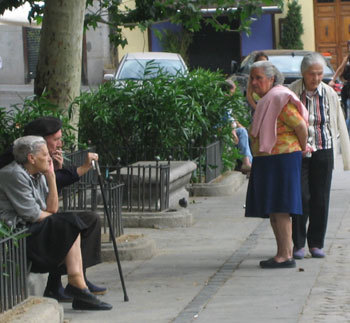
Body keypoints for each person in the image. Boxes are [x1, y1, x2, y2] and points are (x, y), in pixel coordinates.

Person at [0, 116, 106, 302]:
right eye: (56, 139)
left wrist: (52, 173)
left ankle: (79, 278)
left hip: (39, 215)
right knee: (67, 224)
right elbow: (35, 213)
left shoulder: (41, 163)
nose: (60, 144)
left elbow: (51, 202)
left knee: (90, 219)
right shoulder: (16, 166)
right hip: (21, 227)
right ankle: (74, 284)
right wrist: (76, 169)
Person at [245, 61, 308, 269]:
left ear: (271, 79)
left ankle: (285, 255)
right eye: (252, 78)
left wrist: (302, 146)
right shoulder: (268, 99)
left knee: (280, 208)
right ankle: (282, 253)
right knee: (274, 208)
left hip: (281, 159)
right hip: (270, 159)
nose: (254, 82)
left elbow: (300, 125)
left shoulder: (279, 97)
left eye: (258, 78)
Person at [289, 52, 350, 259]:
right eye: (311, 74)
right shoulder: (292, 93)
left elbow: (337, 120)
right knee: (301, 196)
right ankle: (297, 243)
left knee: (320, 198)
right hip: (299, 151)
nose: (316, 78)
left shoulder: (329, 93)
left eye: (319, 73)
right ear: (303, 74)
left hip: (324, 149)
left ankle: (316, 243)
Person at [224, 80, 252, 173]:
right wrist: (233, 132)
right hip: (224, 129)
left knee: (244, 131)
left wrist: (239, 124)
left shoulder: (227, 102)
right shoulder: (222, 102)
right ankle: (247, 163)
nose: (233, 94)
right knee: (242, 132)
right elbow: (226, 120)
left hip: (232, 127)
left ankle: (249, 162)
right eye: (232, 92)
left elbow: (232, 117)